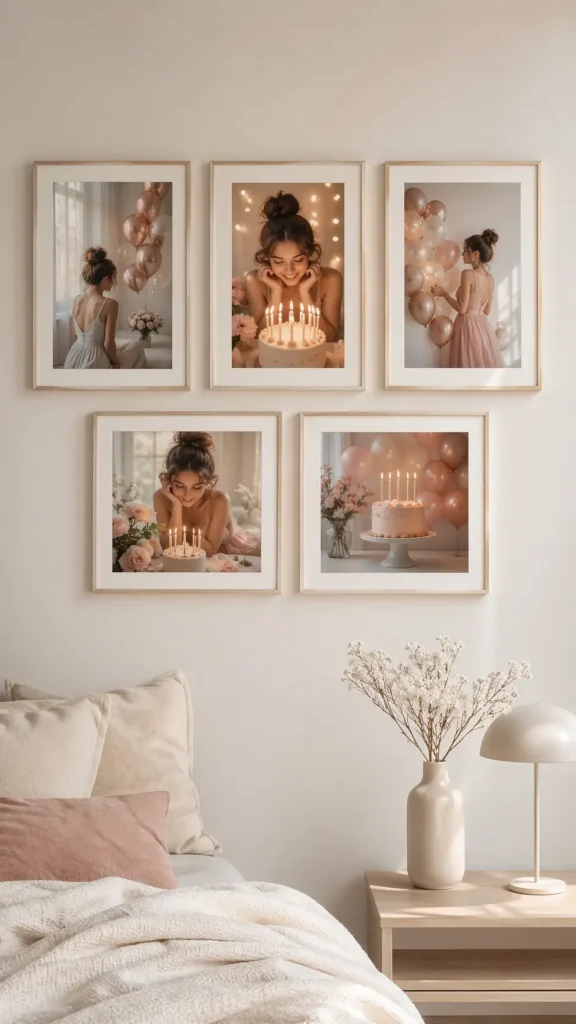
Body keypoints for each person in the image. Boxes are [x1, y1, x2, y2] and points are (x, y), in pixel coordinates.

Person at [245, 192, 343, 344]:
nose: (289, 270)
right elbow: (256, 338)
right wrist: (275, 294)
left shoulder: (331, 279)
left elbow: (329, 338)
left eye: (298, 260)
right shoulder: (256, 281)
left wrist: (306, 294)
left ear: (309, 253)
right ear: (267, 258)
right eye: (278, 262)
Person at [153, 432, 260, 557]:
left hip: (223, 549)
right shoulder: (161, 497)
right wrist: (176, 506)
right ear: (169, 480)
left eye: (197, 487)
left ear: (208, 483)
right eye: (179, 485)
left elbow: (209, 551)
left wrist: (182, 535)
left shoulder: (220, 500)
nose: (187, 494)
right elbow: (169, 548)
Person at [64, 248, 147, 369]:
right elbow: (108, 344)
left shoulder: (76, 300)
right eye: (113, 278)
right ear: (106, 279)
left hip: (73, 357)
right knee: (136, 347)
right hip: (95, 361)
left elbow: (74, 334)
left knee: (129, 345)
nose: (114, 283)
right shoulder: (110, 304)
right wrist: (115, 362)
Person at [431, 229, 503, 369]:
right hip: (483, 328)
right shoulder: (491, 279)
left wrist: (444, 293)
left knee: (467, 366)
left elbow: (462, 309)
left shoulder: (468, 274)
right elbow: (487, 311)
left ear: (475, 254)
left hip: (467, 327)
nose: (462, 254)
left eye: (466, 251)